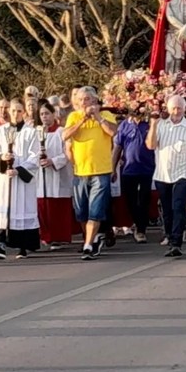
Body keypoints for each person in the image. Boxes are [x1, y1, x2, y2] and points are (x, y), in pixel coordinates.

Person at [63, 87, 118, 260]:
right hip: (80, 171)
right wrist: (82, 120)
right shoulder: (74, 117)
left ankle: (88, 245)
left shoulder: (106, 115)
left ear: (94, 100)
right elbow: (65, 135)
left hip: (100, 171)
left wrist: (98, 117)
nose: (83, 103)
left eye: (86, 99)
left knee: (95, 209)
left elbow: (112, 132)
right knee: (81, 212)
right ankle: (91, 239)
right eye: (80, 100)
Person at [146, 95, 186, 259]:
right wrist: (153, 125)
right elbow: (151, 145)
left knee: (178, 207)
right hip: (163, 174)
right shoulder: (161, 125)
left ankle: (176, 242)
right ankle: (170, 236)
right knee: (167, 209)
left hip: (182, 174)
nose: (176, 112)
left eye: (179, 108)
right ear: (168, 109)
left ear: (184, 109)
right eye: (173, 108)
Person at [0, 99, 41, 260]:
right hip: (6, 178)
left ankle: (24, 246)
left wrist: (19, 170)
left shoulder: (31, 132)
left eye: (19, 111)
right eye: (13, 111)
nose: (16, 114)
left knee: (23, 209)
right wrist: (2, 158)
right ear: (9, 112)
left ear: (24, 112)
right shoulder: (0, 131)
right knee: (6, 209)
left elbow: (35, 155)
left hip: (22, 180)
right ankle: (1, 244)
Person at [34, 102, 73, 249]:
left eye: (47, 113)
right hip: (41, 176)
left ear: (53, 114)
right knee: (43, 207)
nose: (44, 117)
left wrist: (53, 161)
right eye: (41, 114)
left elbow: (67, 153)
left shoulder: (61, 132)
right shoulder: (36, 132)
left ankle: (59, 237)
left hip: (58, 175)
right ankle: (46, 236)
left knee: (58, 208)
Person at [113, 108, 155, 243]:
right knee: (130, 200)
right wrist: (112, 168)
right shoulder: (124, 125)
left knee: (144, 200)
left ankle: (141, 229)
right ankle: (137, 223)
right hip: (128, 169)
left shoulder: (149, 124)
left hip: (148, 169)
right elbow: (118, 147)